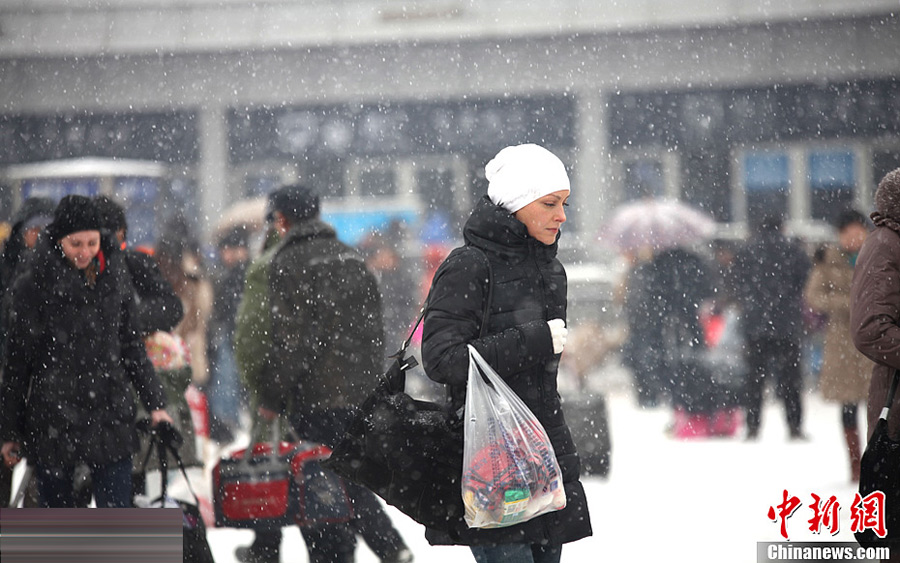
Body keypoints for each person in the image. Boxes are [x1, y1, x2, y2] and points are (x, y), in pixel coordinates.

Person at [421, 144, 592, 563]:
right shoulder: (468, 265)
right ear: (515, 205)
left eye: (565, 204)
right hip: (490, 461)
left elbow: (540, 382)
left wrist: (562, 457)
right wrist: (534, 340)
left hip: (543, 455)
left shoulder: (551, 271)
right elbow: (441, 359)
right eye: (550, 203)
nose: (562, 216)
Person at [239, 184, 413, 563]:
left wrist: (271, 397)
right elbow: (374, 329)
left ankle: (378, 547)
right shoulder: (351, 257)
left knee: (325, 484)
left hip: (316, 395)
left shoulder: (289, 263)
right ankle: (383, 546)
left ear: (281, 219)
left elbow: (292, 341)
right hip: (360, 392)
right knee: (348, 473)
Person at [0, 195, 173, 508]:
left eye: (91, 243)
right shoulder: (33, 284)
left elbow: (132, 347)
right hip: (53, 421)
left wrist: (156, 404)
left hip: (109, 415)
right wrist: (9, 429)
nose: (84, 253)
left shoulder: (115, 276)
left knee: (116, 527)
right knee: (63, 533)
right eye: (75, 243)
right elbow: (17, 363)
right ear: (58, 240)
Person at [93, 195, 196, 494]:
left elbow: (171, 307)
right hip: (83, 401)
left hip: (127, 393)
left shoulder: (134, 265)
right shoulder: (69, 272)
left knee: (125, 482)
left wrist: (127, 320)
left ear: (121, 234)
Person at [804, 209, 873, 482]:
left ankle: (879, 462)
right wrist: (848, 304)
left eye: (857, 231)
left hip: (874, 341)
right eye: (846, 233)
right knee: (848, 406)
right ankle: (855, 464)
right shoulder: (828, 260)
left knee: (879, 406)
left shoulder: (879, 256)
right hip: (841, 342)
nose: (852, 238)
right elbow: (814, 296)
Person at [730, 213, 812, 440]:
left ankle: (753, 426)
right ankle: (794, 425)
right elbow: (805, 279)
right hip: (787, 323)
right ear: (782, 227)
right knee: (790, 380)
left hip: (755, 324)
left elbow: (735, 281)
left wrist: (751, 303)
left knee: (754, 380)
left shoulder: (747, 250)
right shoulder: (793, 250)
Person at [0, 196, 55, 508]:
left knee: (40, 496)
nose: (40, 235)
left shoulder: (60, 273)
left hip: (43, 393)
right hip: (8, 382)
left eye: (47, 229)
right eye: (34, 229)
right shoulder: (7, 269)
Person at [207, 225, 252, 444]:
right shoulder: (226, 274)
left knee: (229, 379)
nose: (226, 255)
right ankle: (229, 420)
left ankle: (230, 420)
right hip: (233, 335)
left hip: (237, 335)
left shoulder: (242, 273)